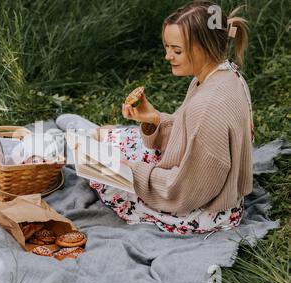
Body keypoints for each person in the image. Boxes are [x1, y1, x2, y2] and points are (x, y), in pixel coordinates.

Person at [88, 1, 254, 235]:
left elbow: (188, 189)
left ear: (203, 47)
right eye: (167, 47)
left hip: (204, 211)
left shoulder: (208, 105)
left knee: (103, 169)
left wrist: (130, 172)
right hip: (211, 190)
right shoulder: (226, 74)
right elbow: (192, 135)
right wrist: (155, 119)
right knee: (108, 139)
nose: (168, 56)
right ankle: (96, 137)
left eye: (177, 50)